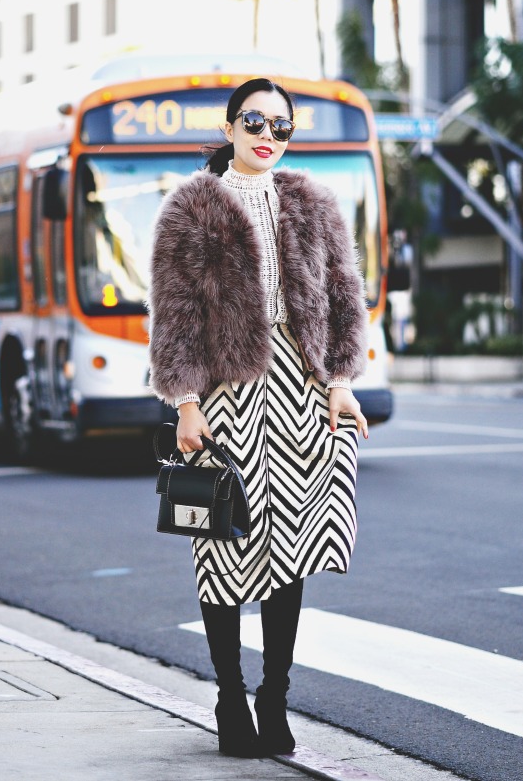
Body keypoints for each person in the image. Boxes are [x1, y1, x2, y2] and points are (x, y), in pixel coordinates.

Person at [148, 78, 369, 758]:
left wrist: (340, 381)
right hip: (225, 392)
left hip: (299, 390)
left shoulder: (313, 202)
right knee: (222, 545)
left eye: (281, 125)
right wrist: (184, 401)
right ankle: (228, 696)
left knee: (290, 550)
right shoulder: (191, 207)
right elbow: (175, 314)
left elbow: (341, 294)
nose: (267, 133)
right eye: (255, 120)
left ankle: (274, 696)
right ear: (230, 125)